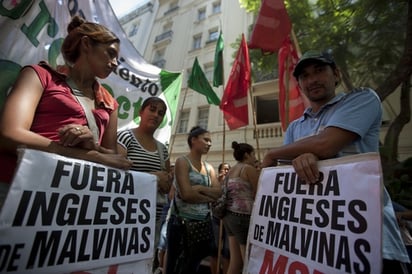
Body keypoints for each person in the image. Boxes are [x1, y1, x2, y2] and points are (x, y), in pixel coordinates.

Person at [261, 49, 411, 273]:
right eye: (304, 76)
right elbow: (286, 179)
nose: (312, 80)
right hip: (315, 246)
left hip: (370, 240)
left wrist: (276, 154)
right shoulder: (295, 127)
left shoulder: (363, 99)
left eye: (319, 71)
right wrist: (303, 155)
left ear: (337, 74)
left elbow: (326, 144)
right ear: (300, 85)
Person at [0, 15, 132, 209]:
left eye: (117, 58)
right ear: (86, 44)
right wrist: (88, 155)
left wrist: (92, 145)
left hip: (70, 201)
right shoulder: (38, 75)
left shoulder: (110, 104)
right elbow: (8, 135)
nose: (114, 63)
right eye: (110, 53)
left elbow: (111, 156)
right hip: (15, 187)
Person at [116, 96, 172, 273]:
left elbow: (167, 183)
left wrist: (166, 181)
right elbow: (116, 176)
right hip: (124, 217)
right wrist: (153, 177)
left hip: (152, 222)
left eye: (161, 113)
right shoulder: (125, 137)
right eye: (152, 109)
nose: (156, 115)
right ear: (141, 111)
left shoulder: (163, 149)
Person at [165, 126, 221, 274]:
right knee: (175, 266)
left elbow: (219, 193)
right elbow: (186, 195)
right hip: (181, 224)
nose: (209, 144)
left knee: (192, 267)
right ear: (193, 140)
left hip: (202, 225)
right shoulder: (182, 162)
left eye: (210, 141)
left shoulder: (209, 168)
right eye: (206, 139)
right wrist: (208, 196)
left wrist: (199, 189)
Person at [223, 142, 259, 274]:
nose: (255, 157)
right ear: (246, 155)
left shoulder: (231, 170)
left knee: (236, 261)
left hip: (229, 216)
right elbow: (259, 191)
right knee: (248, 261)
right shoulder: (248, 169)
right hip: (243, 217)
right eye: (253, 154)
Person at [210, 162, 231, 274]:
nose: (226, 171)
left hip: (227, 220)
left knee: (227, 252)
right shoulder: (215, 182)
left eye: (228, 169)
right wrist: (218, 182)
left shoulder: (231, 182)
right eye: (224, 169)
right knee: (215, 250)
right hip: (216, 218)